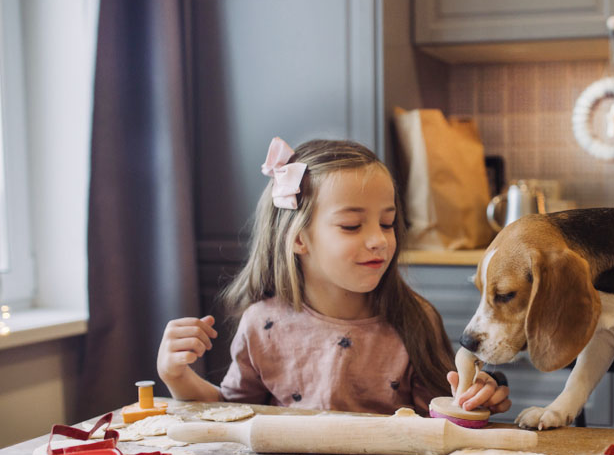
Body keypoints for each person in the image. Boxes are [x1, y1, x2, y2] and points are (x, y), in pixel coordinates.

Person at [156, 137, 510, 416]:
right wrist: (177, 376)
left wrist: (477, 397)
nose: (380, 240)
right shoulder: (261, 324)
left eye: (387, 223)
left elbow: (443, 421)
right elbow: (232, 415)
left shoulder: (414, 319)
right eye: (352, 225)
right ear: (298, 239)